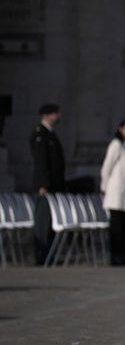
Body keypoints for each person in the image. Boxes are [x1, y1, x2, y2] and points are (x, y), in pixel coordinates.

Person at [29, 103, 65, 264]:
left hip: (54, 185)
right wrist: (43, 184)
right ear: (47, 115)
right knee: (43, 222)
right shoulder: (40, 134)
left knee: (51, 221)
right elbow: (41, 161)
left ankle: (49, 255)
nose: (58, 116)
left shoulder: (50, 134)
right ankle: (41, 255)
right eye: (55, 113)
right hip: (45, 186)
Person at [100, 119, 125, 265]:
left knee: (124, 227)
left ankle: (122, 254)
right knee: (116, 227)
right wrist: (105, 188)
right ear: (121, 129)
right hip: (115, 193)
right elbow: (107, 167)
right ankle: (114, 255)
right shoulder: (116, 144)